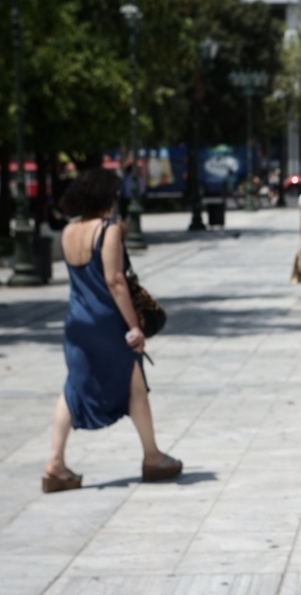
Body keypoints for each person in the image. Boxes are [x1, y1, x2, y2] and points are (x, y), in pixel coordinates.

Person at [42, 168, 181, 493]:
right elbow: (115, 280)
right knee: (135, 385)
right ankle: (152, 457)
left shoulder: (68, 231)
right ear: (105, 197)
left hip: (76, 321)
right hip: (108, 323)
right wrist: (135, 327)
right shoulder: (109, 229)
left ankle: (55, 465)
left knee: (71, 388)